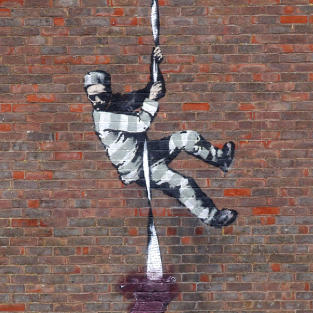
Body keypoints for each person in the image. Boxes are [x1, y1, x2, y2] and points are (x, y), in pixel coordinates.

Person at [83, 46, 238, 228]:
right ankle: (213, 218)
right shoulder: (103, 118)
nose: (98, 101)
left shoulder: (117, 102)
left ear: (108, 92)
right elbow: (141, 124)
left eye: (102, 95)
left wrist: (155, 65)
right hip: (137, 168)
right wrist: (151, 99)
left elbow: (154, 90)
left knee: (188, 137)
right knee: (183, 184)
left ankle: (222, 160)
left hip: (146, 152)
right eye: (92, 98)